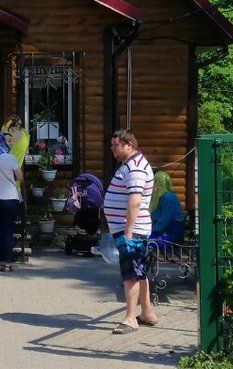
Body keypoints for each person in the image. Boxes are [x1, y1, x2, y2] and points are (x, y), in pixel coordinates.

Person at [103, 129, 157, 334]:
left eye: (115, 144)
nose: (112, 148)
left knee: (131, 274)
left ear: (128, 145)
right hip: (131, 229)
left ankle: (130, 319)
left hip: (132, 231)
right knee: (139, 271)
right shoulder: (130, 165)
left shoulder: (134, 168)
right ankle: (147, 313)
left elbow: (134, 202)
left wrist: (128, 232)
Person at [0, 132, 23, 272]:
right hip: (9, 199)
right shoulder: (10, 158)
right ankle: (7, 263)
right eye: (8, 141)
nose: (11, 143)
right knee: (8, 231)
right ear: (1, 143)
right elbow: (20, 176)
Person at [148, 171, 185, 245]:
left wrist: (150, 231)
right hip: (161, 231)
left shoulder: (168, 198)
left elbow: (164, 220)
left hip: (172, 235)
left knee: (146, 242)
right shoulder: (159, 198)